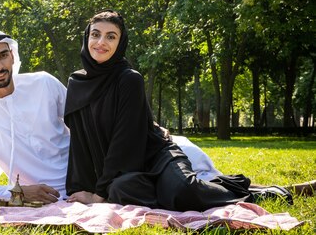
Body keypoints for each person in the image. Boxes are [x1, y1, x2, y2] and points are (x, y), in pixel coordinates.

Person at [64, 11, 293, 210]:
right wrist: (80, 189)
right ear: (87, 37)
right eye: (95, 34)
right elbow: (80, 141)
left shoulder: (129, 79)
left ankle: (257, 194)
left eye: (110, 36)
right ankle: (164, 191)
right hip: (126, 174)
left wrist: (98, 195)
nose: (100, 42)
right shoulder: (76, 83)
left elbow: (124, 142)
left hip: (156, 156)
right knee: (121, 190)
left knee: (184, 191)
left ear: (120, 43)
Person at [0, 29, 68, 203]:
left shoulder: (45, 83)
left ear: (13, 57)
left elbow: (86, 129)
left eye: (3, 55)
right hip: (40, 199)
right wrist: (20, 193)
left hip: (82, 182)